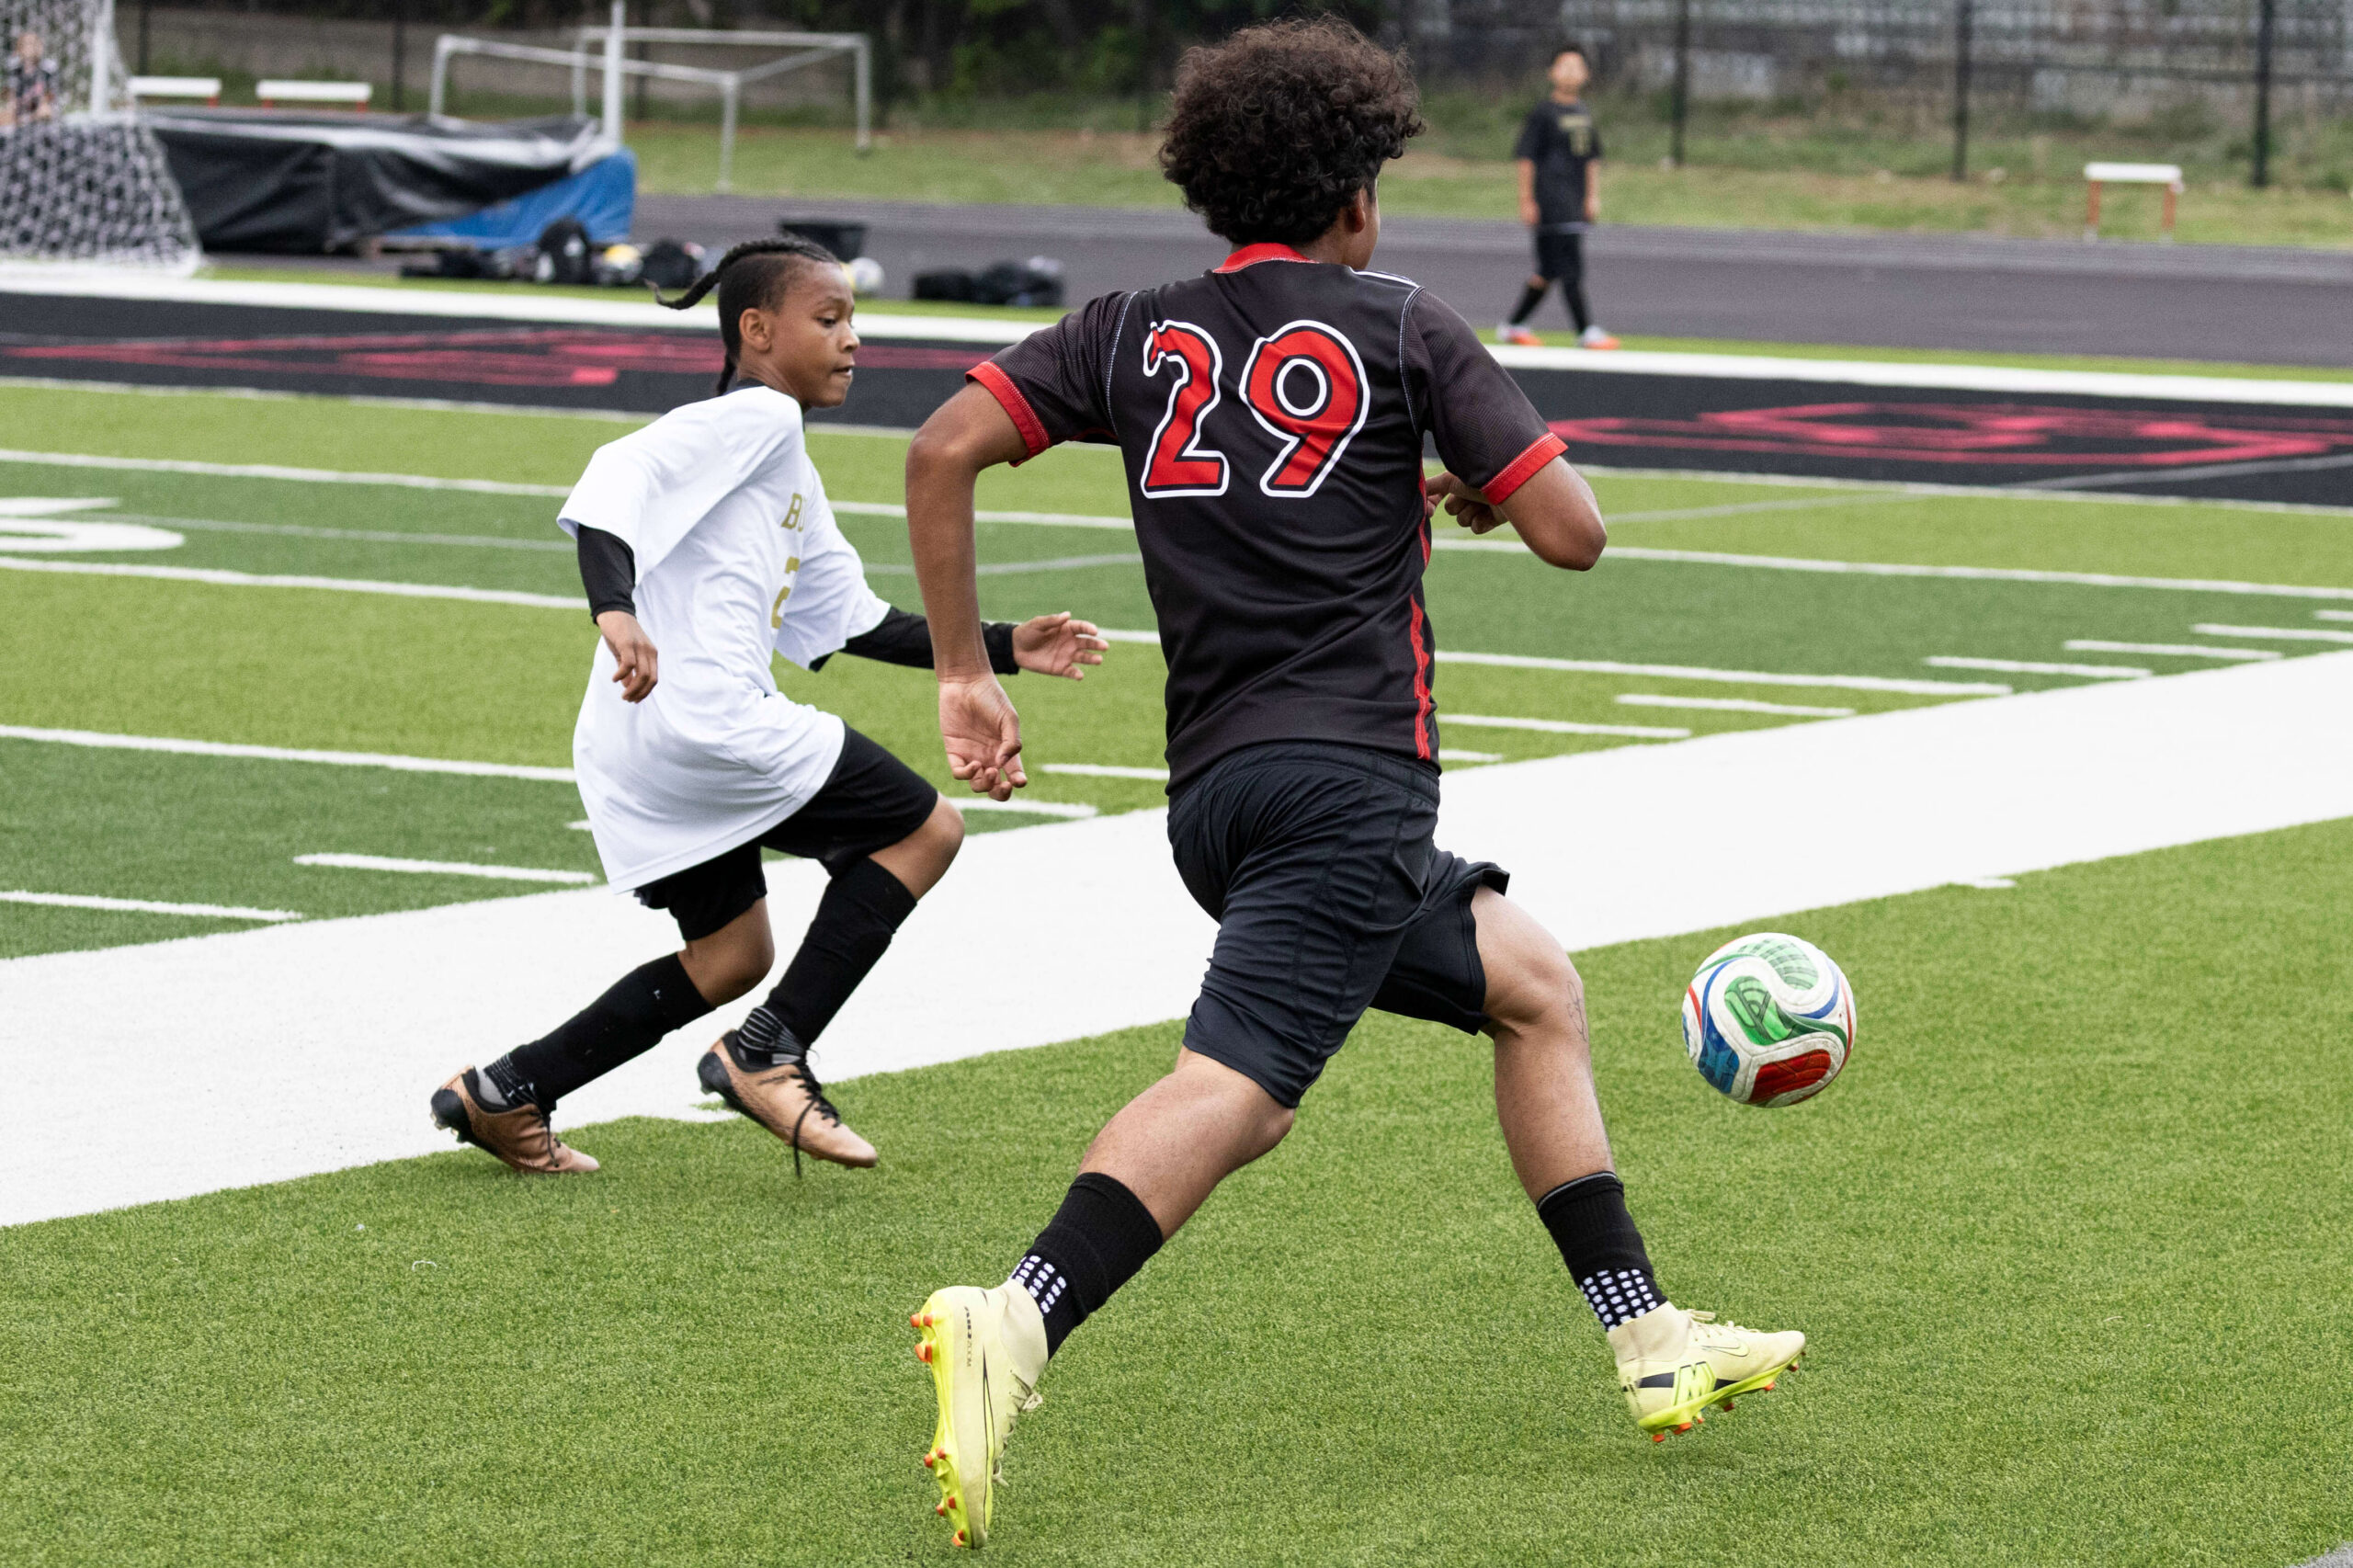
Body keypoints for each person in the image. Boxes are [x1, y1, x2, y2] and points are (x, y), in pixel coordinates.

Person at [899, 18, 1802, 1551]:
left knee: (1534, 987)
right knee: (1236, 1097)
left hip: (1220, 797)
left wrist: (961, 672)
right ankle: (1017, 1314)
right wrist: (1483, 487)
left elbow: (941, 448)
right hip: (1350, 787)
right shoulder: (1402, 325)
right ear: (1358, 193)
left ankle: (1651, 1340)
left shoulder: (1130, 329)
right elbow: (1578, 531)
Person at [429, 235, 1108, 1177]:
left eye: (853, 320)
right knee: (926, 831)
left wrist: (1002, 646)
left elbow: (852, 620)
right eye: (828, 319)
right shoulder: (760, 417)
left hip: (639, 738)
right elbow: (616, 476)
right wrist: (614, 609)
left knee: (730, 956)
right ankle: (768, 1050)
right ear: (756, 330)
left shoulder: (783, 465)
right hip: (707, 717)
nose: (852, 340)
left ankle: (507, 1090)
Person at [1498, 43, 1618, 349]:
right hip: (1551, 200)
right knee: (1570, 267)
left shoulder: (1583, 113)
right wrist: (1527, 200)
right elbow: (1526, 158)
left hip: (1574, 201)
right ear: (1552, 73)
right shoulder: (1543, 113)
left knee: (1549, 270)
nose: (1571, 73)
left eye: (1577, 67)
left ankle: (1513, 325)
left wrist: (1592, 196)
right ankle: (1586, 331)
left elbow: (1591, 159)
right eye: (1564, 66)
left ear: (1586, 74)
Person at [3, 31, 60, 129]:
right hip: (20, 111)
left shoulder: (48, 69)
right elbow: (10, 97)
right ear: (19, 48)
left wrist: (30, 116)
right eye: (25, 44)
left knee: (45, 111)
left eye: (33, 43)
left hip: (40, 111)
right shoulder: (14, 70)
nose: (30, 48)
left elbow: (49, 99)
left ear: (40, 47)